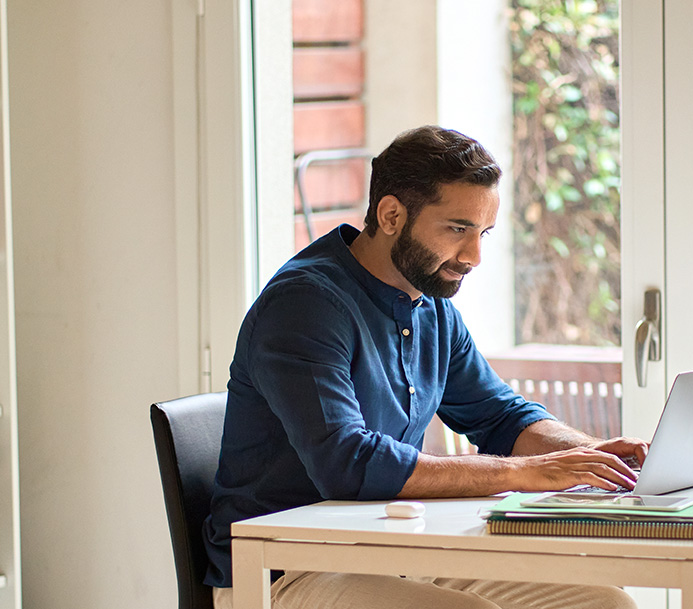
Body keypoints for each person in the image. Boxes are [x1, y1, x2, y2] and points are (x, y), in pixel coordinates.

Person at [203, 125, 647, 609]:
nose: (474, 256)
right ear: (391, 214)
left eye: (483, 233)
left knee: (605, 602)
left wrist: (598, 458)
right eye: (457, 229)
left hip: (390, 549)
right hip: (281, 571)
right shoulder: (305, 305)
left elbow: (501, 417)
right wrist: (525, 472)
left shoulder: (430, 306)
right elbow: (348, 465)